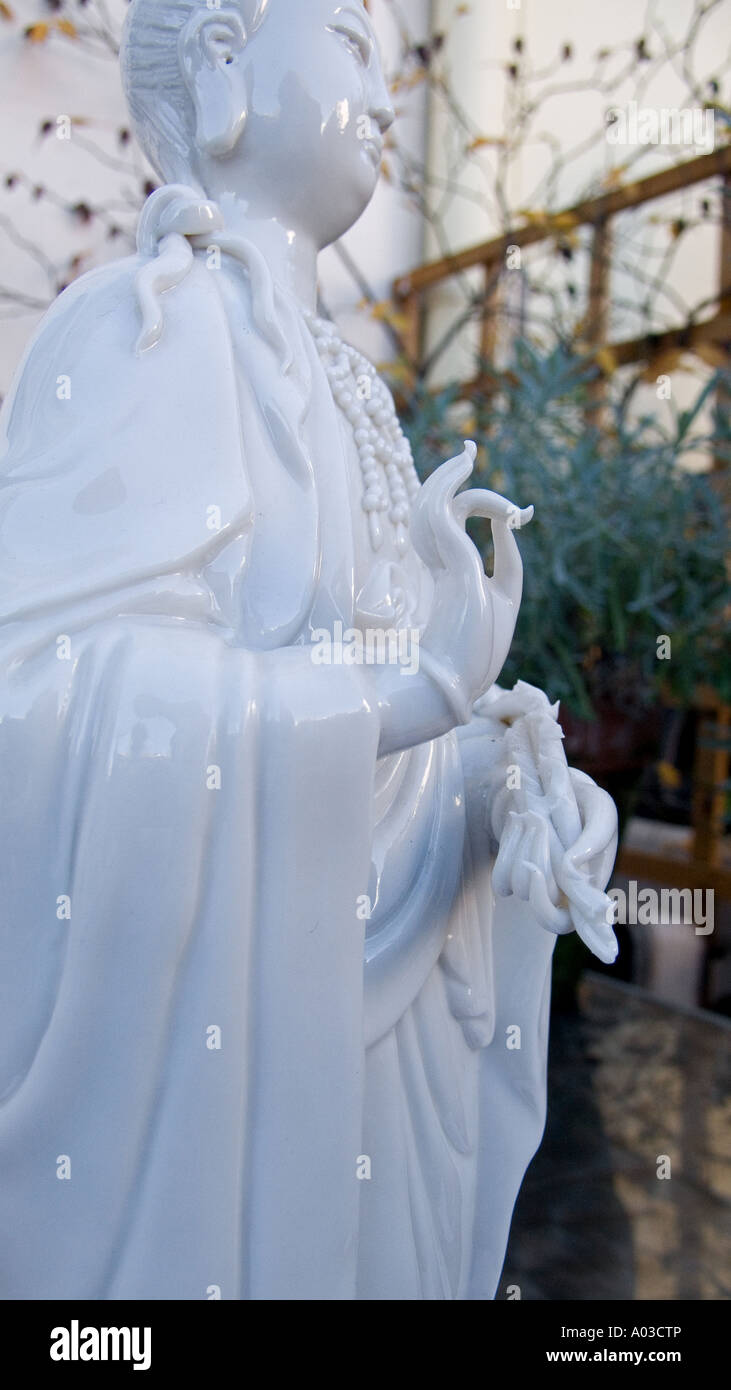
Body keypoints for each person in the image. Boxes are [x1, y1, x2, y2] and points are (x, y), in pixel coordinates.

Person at [0, 0, 617, 1300]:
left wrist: (493, 777)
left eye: (396, 67)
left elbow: (389, 752)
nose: (387, 98)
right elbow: (38, 707)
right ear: (224, 59)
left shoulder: (355, 389)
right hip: (215, 1068)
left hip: (359, 1035)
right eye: (349, 43)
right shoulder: (142, 329)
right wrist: (383, 707)